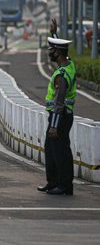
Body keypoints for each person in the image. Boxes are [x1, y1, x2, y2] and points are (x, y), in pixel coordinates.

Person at [37, 19, 76, 196]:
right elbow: (61, 49)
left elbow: (59, 103)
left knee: (60, 152)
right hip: (58, 117)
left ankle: (65, 185)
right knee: (51, 151)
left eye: (51, 51)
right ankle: (52, 183)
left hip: (60, 118)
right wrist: (54, 34)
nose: (49, 53)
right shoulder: (68, 64)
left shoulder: (61, 75)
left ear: (58, 53)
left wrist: (53, 125)